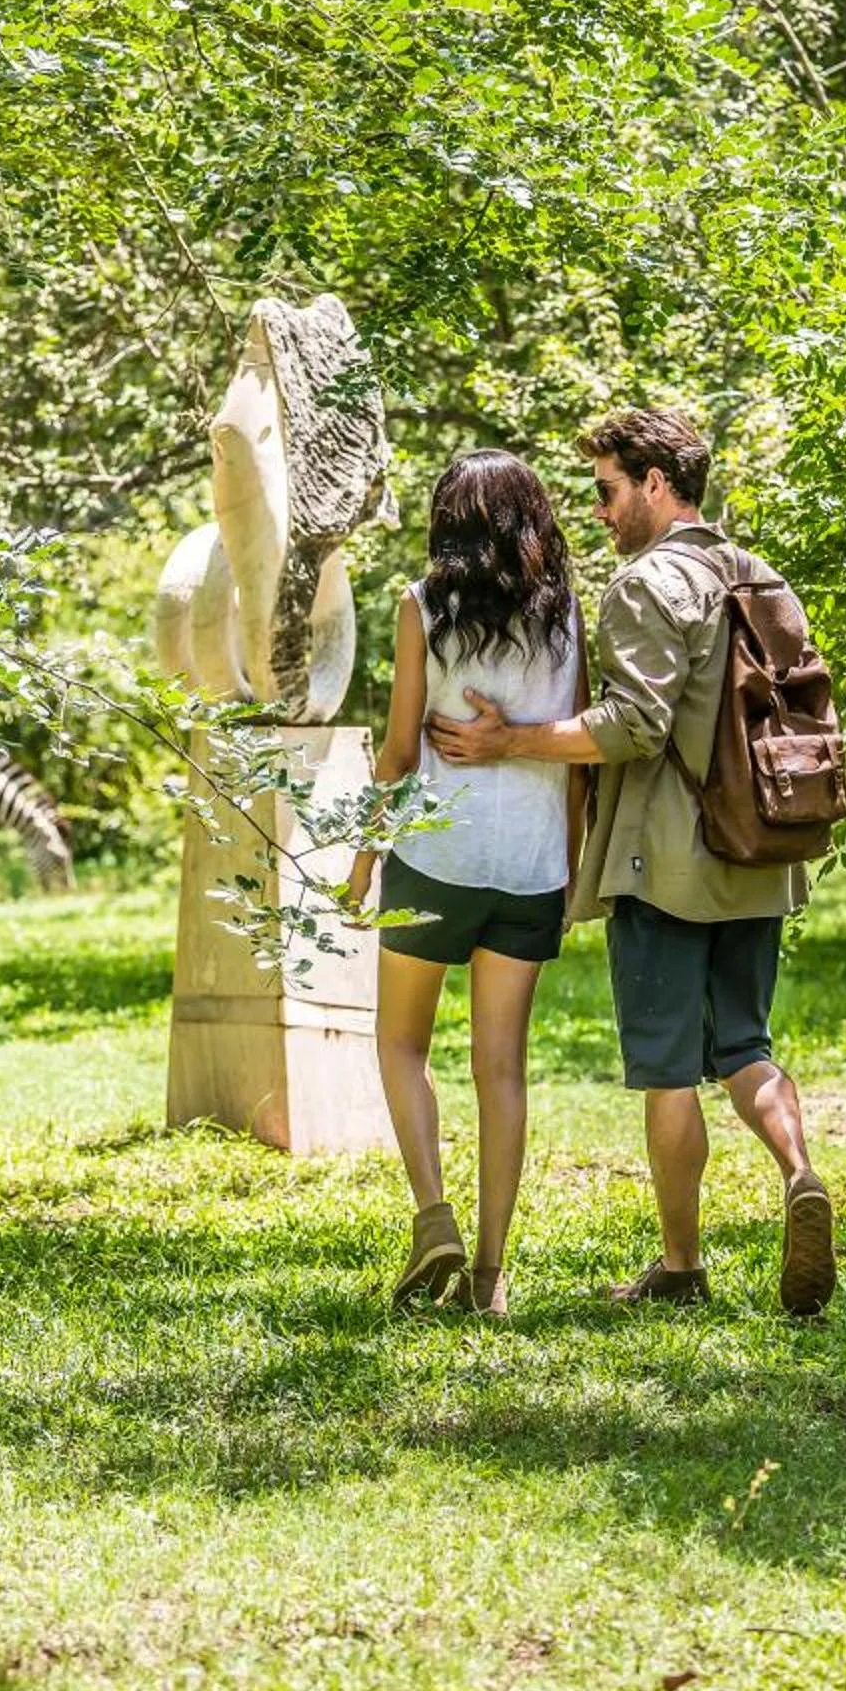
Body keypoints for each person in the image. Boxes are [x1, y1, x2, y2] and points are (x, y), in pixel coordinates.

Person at [426, 408, 837, 1317]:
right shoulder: (760, 575)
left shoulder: (648, 585)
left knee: (664, 1067)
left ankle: (683, 1267)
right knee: (745, 1044)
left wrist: (511, 742)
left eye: (610, 490)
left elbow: (632, 727)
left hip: (668, 858)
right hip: (760, 850)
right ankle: (800, 1173)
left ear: (656, 482)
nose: (601, 513)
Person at [342, 449, 587, 1319]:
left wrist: (362, 861)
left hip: (434, 858)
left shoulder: (422, 607)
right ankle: (489, 1277)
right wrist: (571, 868)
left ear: (448, 520)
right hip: (530, 868)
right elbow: (578, 747)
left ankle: (433, 1218)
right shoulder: (565, 617)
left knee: (401, 1044)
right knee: (503, 1071)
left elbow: (400, 752)